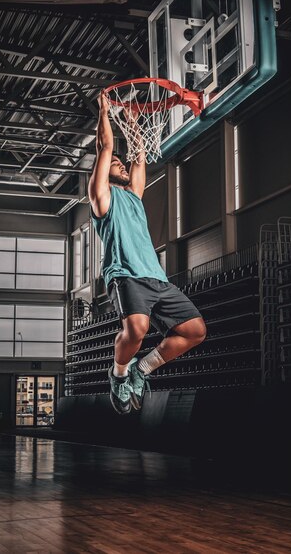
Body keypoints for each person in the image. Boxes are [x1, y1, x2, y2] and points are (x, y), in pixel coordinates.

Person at [88, 90, 207, 415]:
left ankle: (141, 369)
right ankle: (119, 373)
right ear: (103, 172)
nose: (121, 163)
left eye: (120, 163)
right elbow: (105, 147)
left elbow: (139, 156)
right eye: (114, 164)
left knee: (195, 331)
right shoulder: (102, 197)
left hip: (156, 279)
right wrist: (104, 111)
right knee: (137, 329)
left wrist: (133, 122)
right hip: (125, 276)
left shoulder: (134, 196)